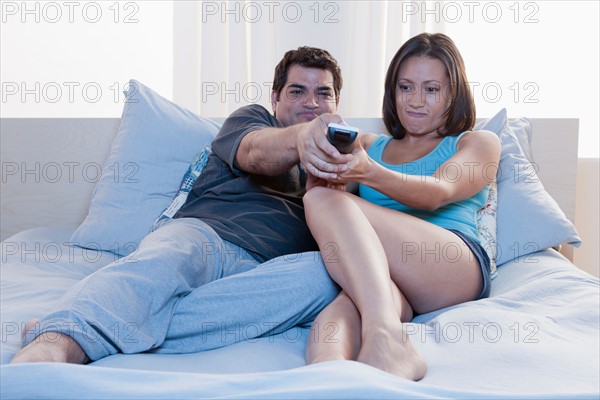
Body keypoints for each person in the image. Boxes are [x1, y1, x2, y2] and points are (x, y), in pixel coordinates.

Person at [11, 46, 350, 364]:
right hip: (206, 237)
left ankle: (95, 323)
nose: (311, 103)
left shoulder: (350, 165)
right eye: (297, 91)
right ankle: (56, 344)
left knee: (325, 277)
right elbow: (255, 153)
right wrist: (303, 137)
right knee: (164, 260)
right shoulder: (253, 119)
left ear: (337, 104)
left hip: (269, 269)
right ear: (275, 98)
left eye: (323, 93)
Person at [302, 33, 501, 381]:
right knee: (341, 313)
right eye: (406, 87)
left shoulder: (476, 142)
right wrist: (323, 172)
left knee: (322, 201)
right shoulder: (367, 145)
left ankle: (387, 337)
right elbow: (332, 212)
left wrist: (369, 173)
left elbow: (439, 191)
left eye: (432, 89)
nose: (415, 101)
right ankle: (324, 379)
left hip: (451, 262)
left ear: (453, 93)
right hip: (384, 271)